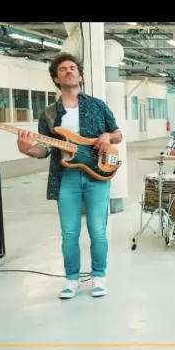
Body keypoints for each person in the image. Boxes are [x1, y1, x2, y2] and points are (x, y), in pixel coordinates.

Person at [16, 52, 122, 299]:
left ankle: (98, 276)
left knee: (97, 231)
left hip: (97, 175)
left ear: (80, 76)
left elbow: (117, 134)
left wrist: (107, 136)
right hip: (66, 177)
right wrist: (27, 149)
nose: (69, 71)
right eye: (63, 69)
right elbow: (45, 149)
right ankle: (71, 279)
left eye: (73, 68)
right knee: (69, 233)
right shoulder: (49, 114)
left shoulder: (97, 105)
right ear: (56, 79)